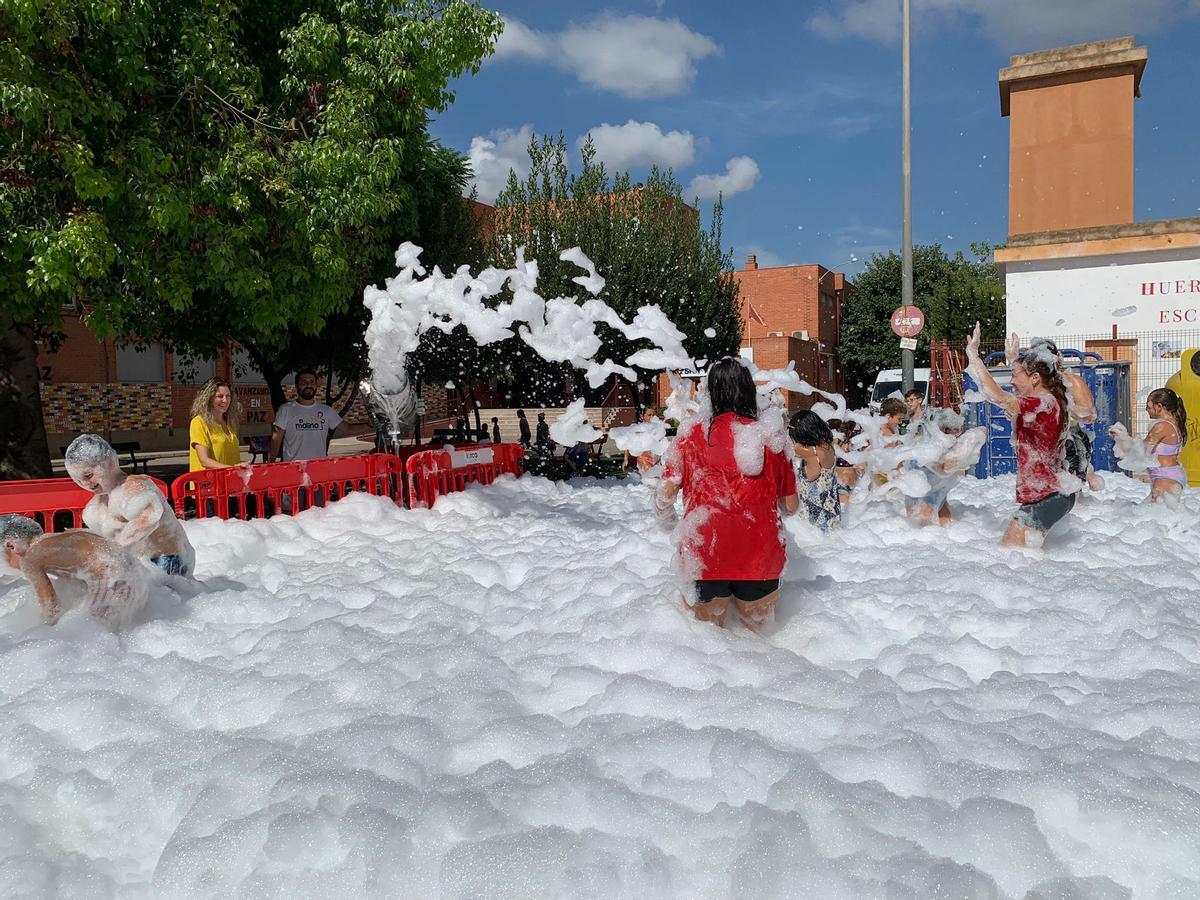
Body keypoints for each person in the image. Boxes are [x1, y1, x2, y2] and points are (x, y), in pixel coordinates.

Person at [656, 357, 799, 631]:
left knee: (709, 648)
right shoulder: (772, 436)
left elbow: (665, 493)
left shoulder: (690, 435)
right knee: (760, 645)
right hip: (760, 554)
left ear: (710, 393)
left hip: (705, 550)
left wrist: (669, 525)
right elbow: (790, 507)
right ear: (749, 391)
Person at [966, 322, 1074, 547]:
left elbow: (997, 396)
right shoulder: (1044, 402)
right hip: (1051, 494)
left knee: (1011, 559)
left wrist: (973, 357)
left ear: (1035, 378)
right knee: (1021, 562)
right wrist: (1014, 358)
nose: (1012, 380)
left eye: (1014, 375)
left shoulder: (1044, 403)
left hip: (1049, 496)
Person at [64, 434, 196, 577]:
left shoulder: (135, 487)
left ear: (109, 462)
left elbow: (149, 520)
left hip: (168, 560)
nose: (85, 483)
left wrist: (113, 552)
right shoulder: (95, 507)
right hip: (140, 563)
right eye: (77, 479)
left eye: (88, 475)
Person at [1, 515, 148, 626]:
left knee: (86, 634)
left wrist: (46, 630)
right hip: (135, 576)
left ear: (11, 546)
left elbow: (51, 609)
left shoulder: (29, 559)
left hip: (110, 580)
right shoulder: (56, 543)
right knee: (110, 632)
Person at [1016, 336, 1104, 491]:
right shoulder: (1033, 385)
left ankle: (1087, 475)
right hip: (1043, 445)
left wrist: (1064, 407)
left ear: (1056, 358)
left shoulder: (1071, 382)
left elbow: (1091, 416)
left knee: (1068, 494)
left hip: (1070, 441)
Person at [1122, 387, 1188, 501]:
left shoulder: (1162, 426)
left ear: (1159, 407)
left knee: (1160, 516)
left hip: (1166, 476)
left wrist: (1121, 438)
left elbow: (1141, 451)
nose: (1146, 409)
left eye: (1148, 406)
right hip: (1170, 474)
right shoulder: (1172, 423)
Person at [269, 369, 343, 462]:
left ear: (316, 385)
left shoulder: (326, 410)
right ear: (296, 386)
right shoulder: (286, 409)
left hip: (319, 468)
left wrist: (367, 426)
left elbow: (348, 428)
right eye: (304, 382)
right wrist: (270, 462)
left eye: (312, 382)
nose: (308, 385)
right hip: (294, 469)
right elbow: (277, 438)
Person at [789, 410, 841, 531]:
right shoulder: (827, 447)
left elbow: (789, 448)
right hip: (831, 516)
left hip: (814, 522)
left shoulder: (812, 453)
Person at [189, 377, 242, 471]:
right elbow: (204, 461)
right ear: (208, 398)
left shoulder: (229, 423)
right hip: (207, 483)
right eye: (220, 396)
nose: (225, 400)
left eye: (228, 396)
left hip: (228, 482)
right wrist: (233, 469)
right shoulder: (199, 422)